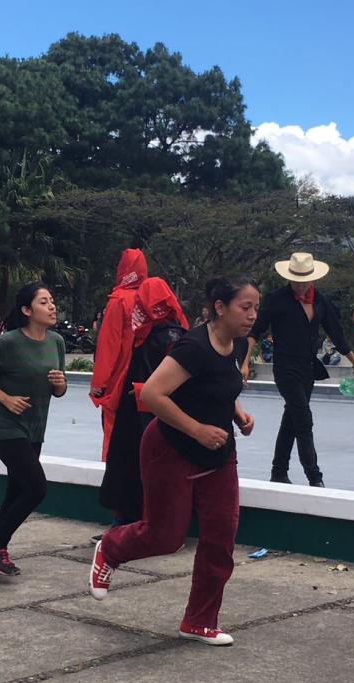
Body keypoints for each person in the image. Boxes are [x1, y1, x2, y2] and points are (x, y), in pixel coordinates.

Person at [89, 276, 257, 647]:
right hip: (170, 449)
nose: (252, 315)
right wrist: (197, 430)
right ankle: (112, 548)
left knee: (220, 539)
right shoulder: (192, 346)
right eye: (245, 307)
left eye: (255, 308)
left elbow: (218, 388)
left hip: (218, 454)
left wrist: (239, 414)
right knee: (165, 537)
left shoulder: (238, 344)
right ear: (219, 307)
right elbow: (152, 393)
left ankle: (199, 621)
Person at [0, 283, 66, 576]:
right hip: (6, 429)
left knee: (16, 491)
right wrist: (4, 398)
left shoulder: (56, 341)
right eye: (44, 302)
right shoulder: (9, 342)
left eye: (52, 302)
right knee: (36, 489)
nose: (52, 307)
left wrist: (60, 386)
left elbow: (58, 389)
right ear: (26, 310)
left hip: (35, 429)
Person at [244, 253, 354, 487]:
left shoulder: (320, 301)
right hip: (285, 367)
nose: (299, 285)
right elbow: (255, 331)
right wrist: (245, 362)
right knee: (303, 418)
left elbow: (336, 333)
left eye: (303, 280)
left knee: (291, 418)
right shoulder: (277, 299)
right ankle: (315, 478)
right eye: (295, 280)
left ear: (312, 278)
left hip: (308, 368)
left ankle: (278, 471)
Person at [96, 277, 189, 539]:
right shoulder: (175, 333)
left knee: (135, 467)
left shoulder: (155, 335)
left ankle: (135, 524)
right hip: (152, 413)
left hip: (144, 414)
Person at [90, 248, 149, 461]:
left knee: (114, 431)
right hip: (147, 378)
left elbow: (109, 345)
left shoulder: (119, 300)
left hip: (120, 379)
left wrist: (99, 385)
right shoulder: (152, 298)